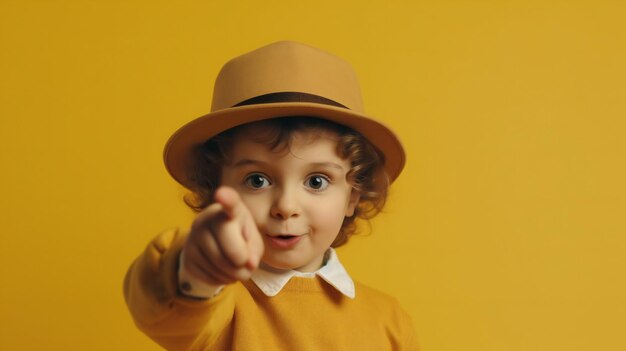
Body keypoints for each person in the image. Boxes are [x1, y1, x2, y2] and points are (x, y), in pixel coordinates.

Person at [124, 41, 419, 350]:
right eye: (257, 180)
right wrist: (195, 271)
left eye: (317, 181)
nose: (286, 207)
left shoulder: (390, 321)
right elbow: (162, 308)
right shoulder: (212, 306)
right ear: (215, 189)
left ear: (352, 197)